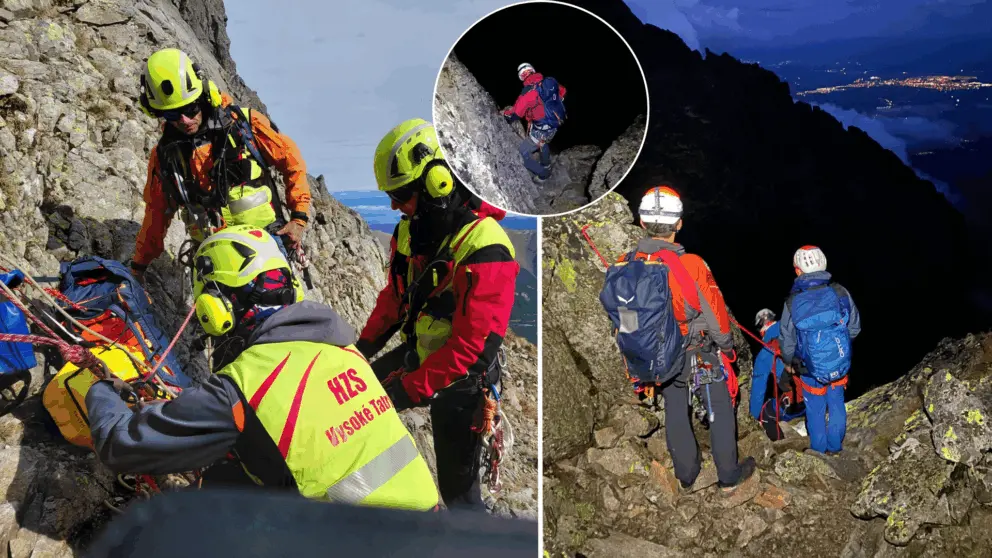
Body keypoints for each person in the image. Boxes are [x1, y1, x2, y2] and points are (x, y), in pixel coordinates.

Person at [87, 225, 439, 512]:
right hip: (428, 526)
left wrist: (102, 389)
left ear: (215, 307)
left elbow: (119, 445)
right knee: (228, 476)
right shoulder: (344, 350)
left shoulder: (243, 387)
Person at [354, 118, 519, 511]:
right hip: (424, 356)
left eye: (401, 194)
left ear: (438, 184)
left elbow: (470, 350)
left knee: (459, 493)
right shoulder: (412, 231)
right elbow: (395, 299)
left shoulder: (486, 247)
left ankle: (470, 542)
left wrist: (405, 390)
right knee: (361, 407)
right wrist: (359, 350)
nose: (394, 205)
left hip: (463, 379)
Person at [129, 47, 312, 285]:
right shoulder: (165, 156)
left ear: (203, 97)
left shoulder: (244, 125)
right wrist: (138, 266)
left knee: (279, 317)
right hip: (213, 262)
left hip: (265, 250)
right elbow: (156, 215)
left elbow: (291, 162)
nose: (184, 120)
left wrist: (298, 219)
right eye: (173, 115)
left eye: (189, 109)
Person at [621, 185, 756, 493]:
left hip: (658, 353)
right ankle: (728, 474)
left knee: (675, 407)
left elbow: (626, 318)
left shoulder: (627, 264)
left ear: (642, 223)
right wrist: (726, 347)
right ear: (679, 223)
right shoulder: (691, 264)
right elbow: (715, 312)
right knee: (719, 406)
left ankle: (686, 474)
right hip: (697, 349)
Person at [778, 245, 861, 455]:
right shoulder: (840, 292)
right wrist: (837, 349)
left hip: (808, 369)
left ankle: (818, 451)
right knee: (836, 404)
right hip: (839, 362)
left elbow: (787, 340)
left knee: (815, 410)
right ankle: (835, 447)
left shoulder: (792, 302)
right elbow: (854, 328)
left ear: (797, 270)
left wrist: (789, 363)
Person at [502, 63, 566, 183]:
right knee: (543, 142)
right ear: (533, 71)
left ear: (522, 77)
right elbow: (562, 92)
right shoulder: (549, 82)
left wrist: (504, 114)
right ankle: (546, 163)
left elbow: (515, 115)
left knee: (521, 154)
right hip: (555, 124)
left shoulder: (527, 93)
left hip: (540, 129)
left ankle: (544, 174)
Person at [749, 308, 787, 420]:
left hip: (795, 400)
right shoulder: (792, 328)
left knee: (769, 409)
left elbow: (758, 392)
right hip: (819, 387)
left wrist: (753, 418)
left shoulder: (765, 354)